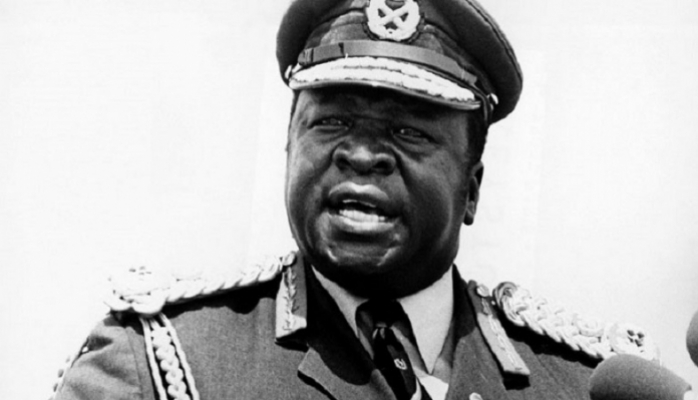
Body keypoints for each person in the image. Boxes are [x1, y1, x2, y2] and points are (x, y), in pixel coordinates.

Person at [51, 0, 658, 399]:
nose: (362, 155)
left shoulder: (586, 384)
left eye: (408, 131)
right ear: (289, 150)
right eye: (331, 123)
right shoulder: (162, 365)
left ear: (471, 187)